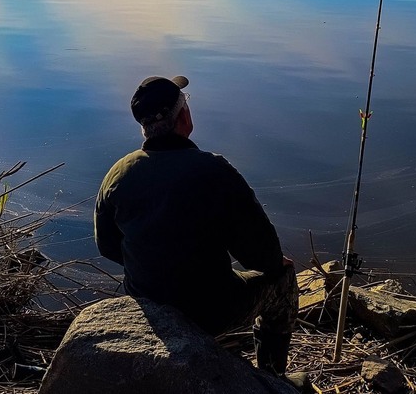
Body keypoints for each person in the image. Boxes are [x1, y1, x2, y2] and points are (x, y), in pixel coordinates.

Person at [93, 74, 301, 382]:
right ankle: (271, 378)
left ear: (144, 127)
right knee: (283, 279)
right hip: (210, 311)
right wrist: (274, 263)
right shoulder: (215, 172)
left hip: (147, 303)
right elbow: (261, 254)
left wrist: (155, 260)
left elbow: (107, 246)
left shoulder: (119, 174)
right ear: (185, 118)